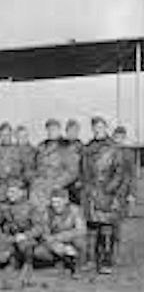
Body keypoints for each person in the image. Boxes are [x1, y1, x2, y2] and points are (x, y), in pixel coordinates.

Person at [81, 116, 125, 274]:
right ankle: (91, 260)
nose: (98, 129)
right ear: (92, 129)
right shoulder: (87, 147)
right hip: (90, 193)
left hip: (107, 193)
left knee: (106, 227)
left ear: (106, 127)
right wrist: (86, 189)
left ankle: (106, 261)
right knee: (92, 228)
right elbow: (83, 171)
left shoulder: (114, 148)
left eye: (101, 126)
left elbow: (119, 173)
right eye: (95, 127)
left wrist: (109, 189)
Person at [0, 179, 44, 281]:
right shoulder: (4, 207)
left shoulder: (31, 207)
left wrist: (25, 235)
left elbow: (39, 228)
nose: (9, 194)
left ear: (21, 192)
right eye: (8, 191)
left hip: (27, 239)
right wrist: (3, 238)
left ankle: (27, 265)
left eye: (13, 192)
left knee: (26, 246)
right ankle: (12, 262)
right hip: (11, 238)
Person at [34, 188, 87, 277]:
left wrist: (61, 239)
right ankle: (60, 261)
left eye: (58, 202)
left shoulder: (75, 210)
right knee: (38, 251)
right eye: (53, 202)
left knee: (80, 242)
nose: (55, 205)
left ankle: (78, 264)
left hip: (71, 241)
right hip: (55, 243)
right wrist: (55, 245)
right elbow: (44, 233)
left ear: (65, 201)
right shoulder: (47, 211)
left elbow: (81, 230)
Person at [31, 119, 80, 207]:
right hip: (39, 190)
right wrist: (35, 179)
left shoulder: (67, 146)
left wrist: (57, 184)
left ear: (59, 130)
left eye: (53, 129)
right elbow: (35, 166)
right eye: (49, 129)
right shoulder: (42, 146)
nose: (50, 131)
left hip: (57, 191)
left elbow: (72, 171)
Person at [0, 122, 28, 221]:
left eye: (7, 135)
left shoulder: (19, 150)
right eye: (2, 135)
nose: (5, 137)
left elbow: (27, 172)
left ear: (12, 135)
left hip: (15, 188)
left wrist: (18, 187)